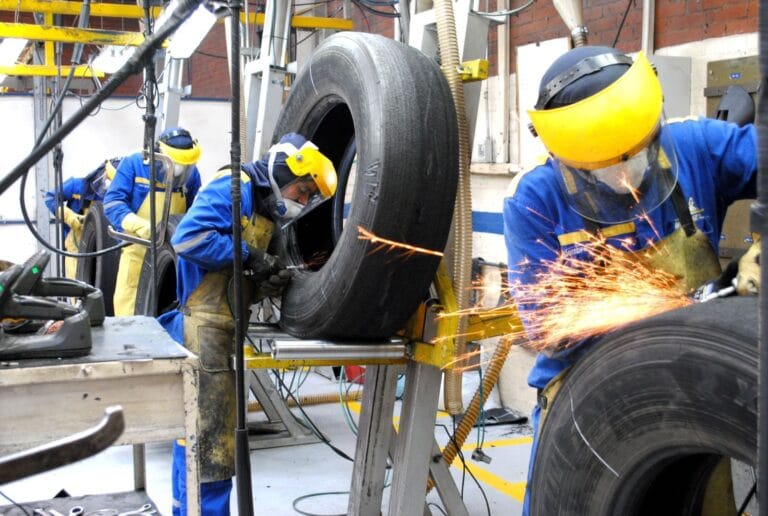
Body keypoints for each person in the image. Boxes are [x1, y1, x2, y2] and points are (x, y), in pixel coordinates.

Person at [502, 45, 757, 515]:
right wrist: (675, 308)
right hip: (584, 391)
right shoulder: (533, 198)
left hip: (693, 378)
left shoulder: (697, 144)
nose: (625, 175)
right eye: (605, 165)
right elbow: (546, 328)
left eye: (635, 154)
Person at [158, 132, 337, 515]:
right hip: (200, 331)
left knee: (196, 437)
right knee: (210, 445)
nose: (302, 202)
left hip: (221, 330)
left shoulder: (265, 210)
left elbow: (230, 279)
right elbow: (189, 240)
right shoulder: (234, 185)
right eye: (302, 191)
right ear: (283, 172)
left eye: (308, 197)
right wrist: (248, 255)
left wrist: (261, 283)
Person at [103, 127, 202, 316]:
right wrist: (142, 227)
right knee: (128, 307)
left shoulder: (192, 175)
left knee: (170, 307)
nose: (184, 174)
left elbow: (190, 212)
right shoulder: (135, 163)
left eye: (188, 167)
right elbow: (112, 202)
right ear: (161, 158)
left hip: (170, 249)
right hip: (137, 246)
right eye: (179, 167)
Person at [44, 157, 121, 278]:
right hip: (76, 249)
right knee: (78, 288)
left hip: (104, 252)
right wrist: (69, 216)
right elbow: (50, 197)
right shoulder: (78, 186)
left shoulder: (117, 198)